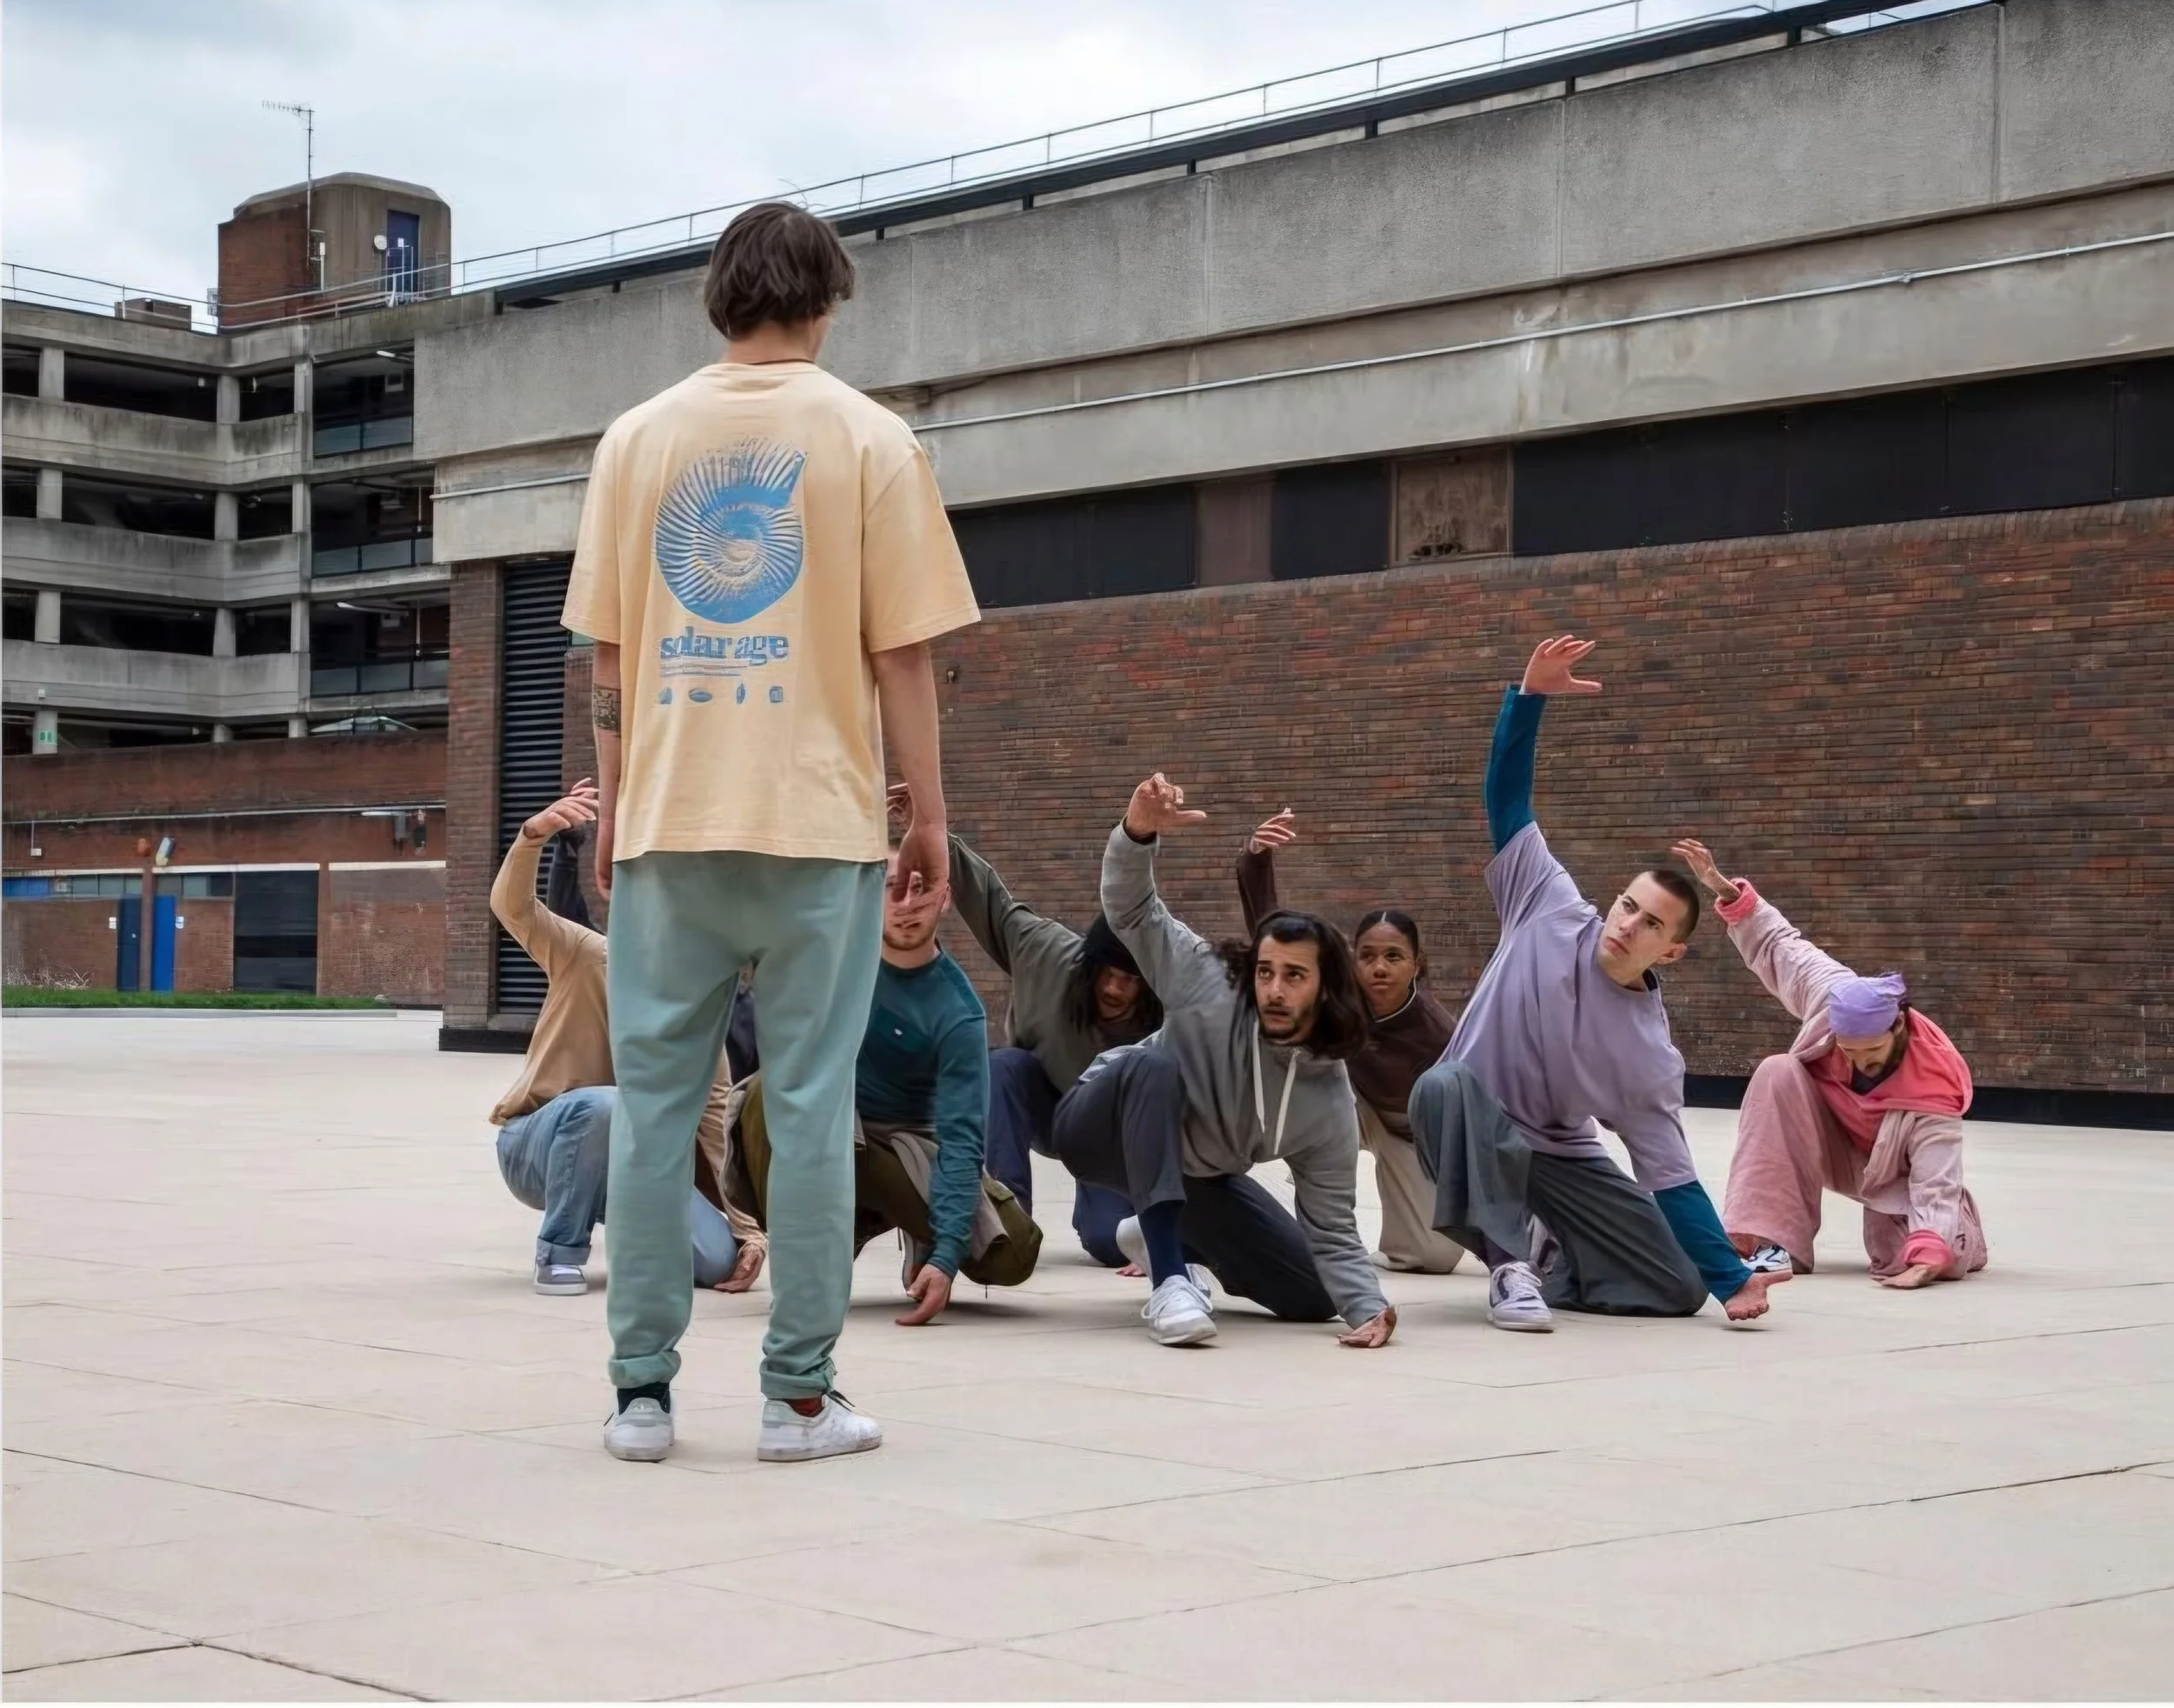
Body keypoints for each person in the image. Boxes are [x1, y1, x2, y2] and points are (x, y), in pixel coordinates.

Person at [562, 201, 980, 1464]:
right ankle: (798, 1399)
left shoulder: (635, 442)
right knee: (807, 1113)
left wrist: (614, 793)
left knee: (652, 1112)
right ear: (827, 302)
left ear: (720, 300)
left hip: (672, 825)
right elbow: (900, 651)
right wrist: (934, 817)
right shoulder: (870, 438)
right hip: (818, 829)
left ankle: (641, 1397)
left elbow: (610, 653)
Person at [1408, 636, 1791, 1331]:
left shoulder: (1647, 1054)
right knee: (1442, 1083)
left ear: (1670, 953)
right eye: (1627, 905)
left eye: (1651, 924)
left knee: (1673, 1286)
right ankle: (1507, 1267)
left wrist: (1729, 1280)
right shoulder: (1547, 903)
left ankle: (1549, 1257)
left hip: (1556, 1157)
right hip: (1468, 1128)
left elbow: (1669, 1173)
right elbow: (1506, 798)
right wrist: (1528, 700)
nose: (1628, 924)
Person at [1050, 772, 1398, 1350]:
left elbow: (1333, 1227)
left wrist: (1367, 1306)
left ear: (1326, 988)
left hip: (1195, 1174)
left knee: (1311, 1296)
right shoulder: (1207, 982)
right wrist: (1137, 833)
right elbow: (1133, 912)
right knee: (1152, 1068)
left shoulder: (1328, 1098)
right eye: (1266, 973)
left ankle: (1161, 1234)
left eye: (1294, 977)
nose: (1274, 991)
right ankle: (1170, 1281)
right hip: (1100, 1128)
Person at [730, 855, 1042, 1325]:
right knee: (768, 1092)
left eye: (922, 887)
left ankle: (898, 1223)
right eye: (893, 886)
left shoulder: (958, 1012)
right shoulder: (832, 959)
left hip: (907, 1147)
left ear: (946, 898)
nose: (907, 903)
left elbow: (962, 1139)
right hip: (828, 1126)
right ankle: (814, 1250)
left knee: (1013, 1254)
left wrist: (947, 1255)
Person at [488, 782, 764, 1299]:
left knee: (717, 1262)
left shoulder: (702, 1012)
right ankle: (560, 1252)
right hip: (536, 1147)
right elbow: (513, 910)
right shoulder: (590, 956)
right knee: (608, 1106)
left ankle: (621, 1216)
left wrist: (750, 1233)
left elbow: (714, 1125)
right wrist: (532, 837)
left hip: (633, 1168)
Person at [1672, 838, 1986, 1289]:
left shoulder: (1933, 1085)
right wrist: (1726, 891)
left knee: (1920, 1256)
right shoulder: (1833, 998)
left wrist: (1930, 1253)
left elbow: (1934, 1178)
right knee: (1778, 1071)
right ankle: (1769, 1240)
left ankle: (1963, 1228)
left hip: (1896, 1170)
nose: (1857, 1061)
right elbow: (1784, 948)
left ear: (1899, 1027)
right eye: (1848, 1050)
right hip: (1832, 1139)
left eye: (1871, 1054)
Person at [1237, 811, 1469, 1275]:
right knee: (1297, 1069)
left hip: (1411, 1133)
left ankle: (1402, 1235)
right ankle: (1258, 1205)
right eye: (1368, 956)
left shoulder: (1441, 1033)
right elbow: (1274, 935)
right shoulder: (1338, 995)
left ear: (1416, 965)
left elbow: (1477, 1120)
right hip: (1344, 1107)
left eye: (1393, 957)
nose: (1379, 968)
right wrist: (1257, 860)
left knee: (1435, 1256)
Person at [937, 804, 1160, 1268]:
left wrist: (1157, 1233)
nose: (1116, 989)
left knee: (1108, 1241)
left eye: (1131, 980)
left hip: (1113, 1134)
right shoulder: (1048, 952)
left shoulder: (1169, 1007)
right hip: (1047, 1104)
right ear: (1090, 965)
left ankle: (1121, 1223)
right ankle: (1008, 1217)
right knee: (1003, 1066)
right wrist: (931, 831)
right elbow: (990, 901)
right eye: (1108, 974)